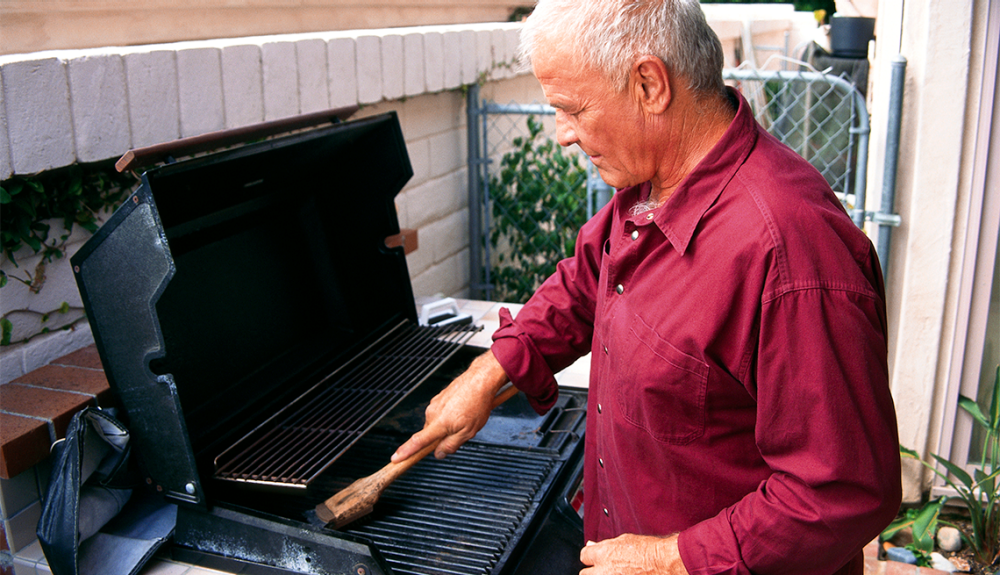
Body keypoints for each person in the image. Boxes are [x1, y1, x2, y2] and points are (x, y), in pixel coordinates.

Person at [392, 0, 902, 573]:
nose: (563, 134)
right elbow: (588, 282)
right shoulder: (653, 181)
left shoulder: (792, 254)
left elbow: (842, 492)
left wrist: (670, 561)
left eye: (572, 109)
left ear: (649, 84)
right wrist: (490, 373)